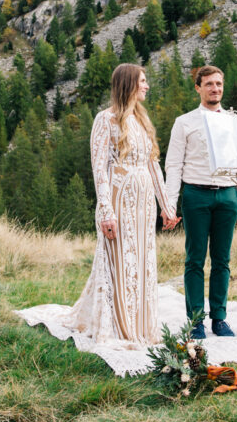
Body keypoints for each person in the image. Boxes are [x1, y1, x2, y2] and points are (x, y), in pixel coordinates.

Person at [66, 63, 181, 346]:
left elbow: (153, 165)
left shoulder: (142, 120)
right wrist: (106, 211)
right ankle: (119, 326)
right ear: (128, 83)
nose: (147, 85)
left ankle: (141, 324)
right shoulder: (105, 119)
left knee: (141, 261)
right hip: (119, 200)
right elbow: (99, 167)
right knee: (121, 261)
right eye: (142, 81)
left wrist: (166, 206)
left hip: (143, 203)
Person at [164, 65, 237, 340]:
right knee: (195, 258)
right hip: (196, 194)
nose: (215, 89)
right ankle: (196, 321)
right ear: (198, 88)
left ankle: (220, 319)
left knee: (222, 260)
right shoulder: (184, 122)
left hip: (227, 195)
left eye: (219, 84)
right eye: (209, 84)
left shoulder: (234, 121)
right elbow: (173, 164)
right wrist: (170, 202)